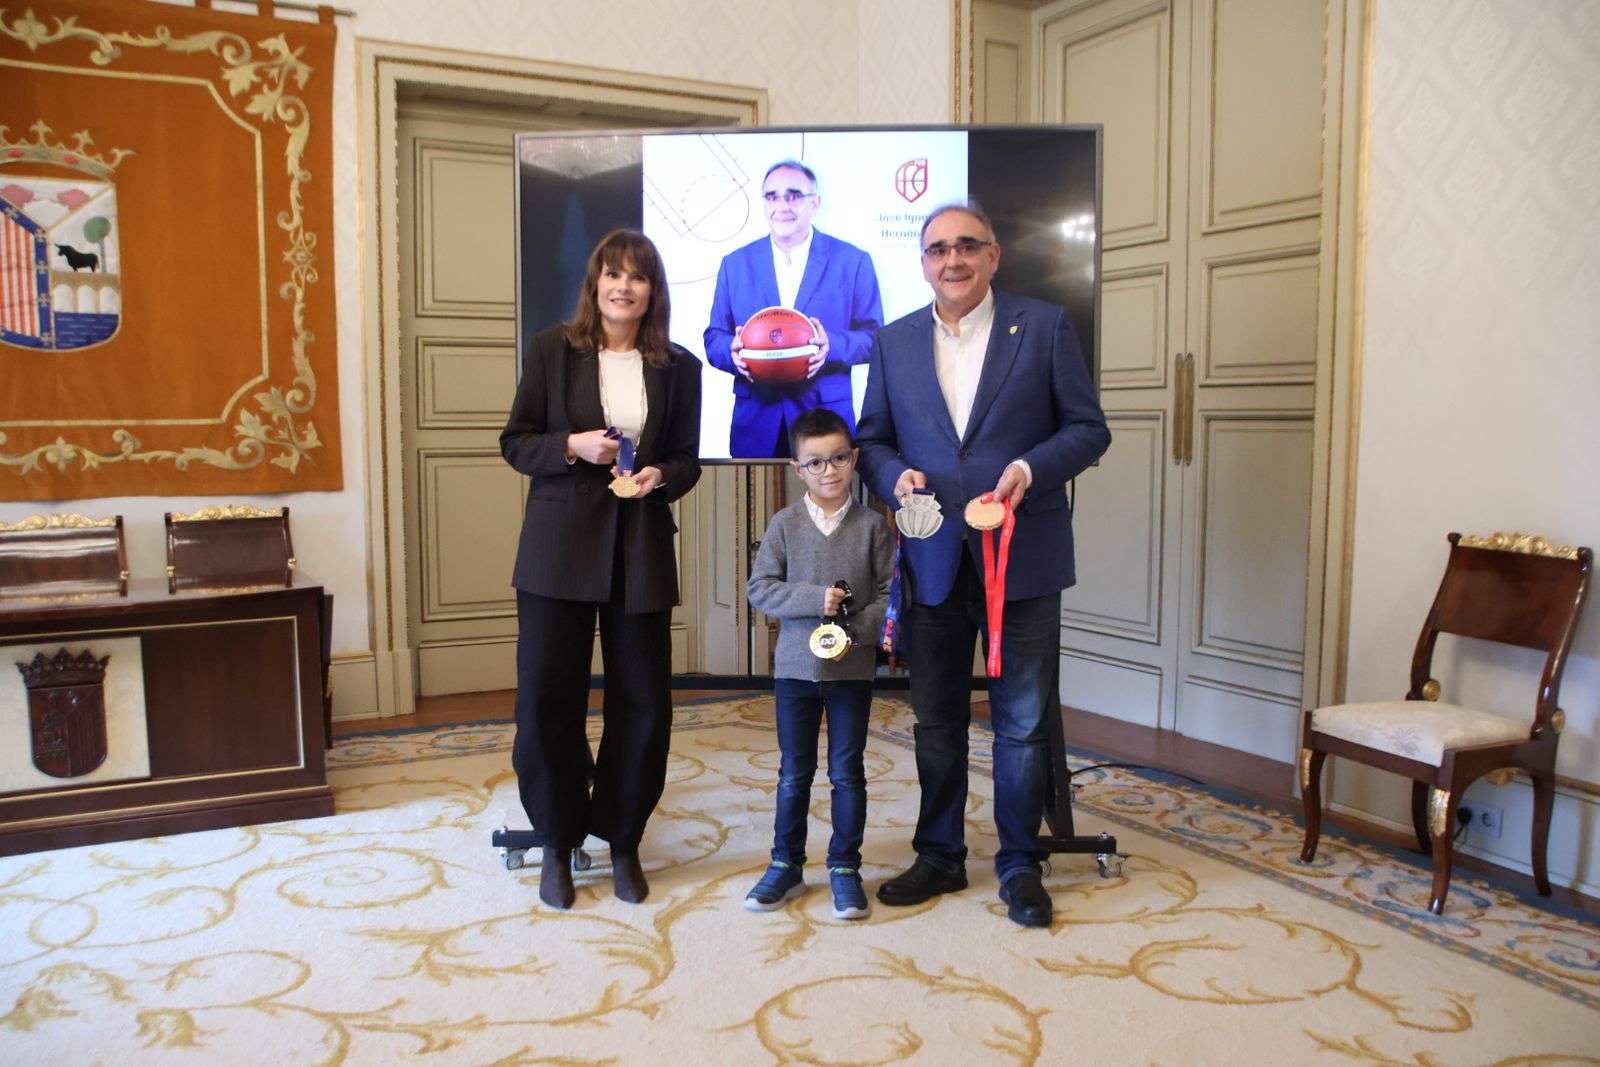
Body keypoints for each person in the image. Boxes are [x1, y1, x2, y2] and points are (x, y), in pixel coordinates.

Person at [855, 202, 1111, 928]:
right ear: (924, 262)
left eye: (968, 246)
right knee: (936, 720)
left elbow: (1089, 429)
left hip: (1021, 557)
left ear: (994, 256)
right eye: (938, 249)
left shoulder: (1046, 325)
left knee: (1023, 725)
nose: (953, 259)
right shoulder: (894, 340)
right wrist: (892, 475)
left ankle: (1019, 864)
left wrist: (1031, 466)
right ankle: (938, 854)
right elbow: (872, 439)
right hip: (931, 556)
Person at [500, 229, 702, 910]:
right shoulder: (552, 351)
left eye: (637, 277)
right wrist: (570, 445)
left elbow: (687, 459)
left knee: (642, 702)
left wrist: (658, 475)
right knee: (546, 701)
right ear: (594, 284)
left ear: (653, 291)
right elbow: (516, 442)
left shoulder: (680, 365)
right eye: (612, 274)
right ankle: (557, 840)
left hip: (639, 547)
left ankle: (622, 836)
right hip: (557, 551)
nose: (624, 287)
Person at [743, 407, 895, 921]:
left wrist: (854, 634)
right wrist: (815, 600)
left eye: (838, 458)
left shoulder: (874, 525)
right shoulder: (784, 525)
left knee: (848, 771)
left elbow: (886, 595)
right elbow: (759, 588)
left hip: (852, 670)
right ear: (796, 467)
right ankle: (785, 864)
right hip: (794, 671)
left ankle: (845, 867)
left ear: (853, 458)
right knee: (794, 772)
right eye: (815, 463)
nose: (829, 471)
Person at [704, 160, 884, 459]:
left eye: (793, 195)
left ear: (814, 203)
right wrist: (732, 351)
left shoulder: (852, 261)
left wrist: (832, 346)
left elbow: (875, 337)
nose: (782, 205)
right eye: (772, 196)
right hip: (756, 420)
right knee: (757, 506)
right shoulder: (735, 264)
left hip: (826, 419)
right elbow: (714, 338)